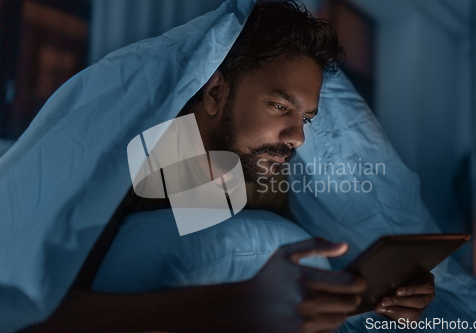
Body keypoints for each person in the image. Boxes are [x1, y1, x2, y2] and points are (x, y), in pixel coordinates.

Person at [24, 1, 435, 332]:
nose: (298, 137)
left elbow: (287, 275)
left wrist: (375, 295)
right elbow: (29, 317)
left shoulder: (259, 175)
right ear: (216, 91)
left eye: (306, 118)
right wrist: (236, 304)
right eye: (280, 106)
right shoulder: (124, 167)